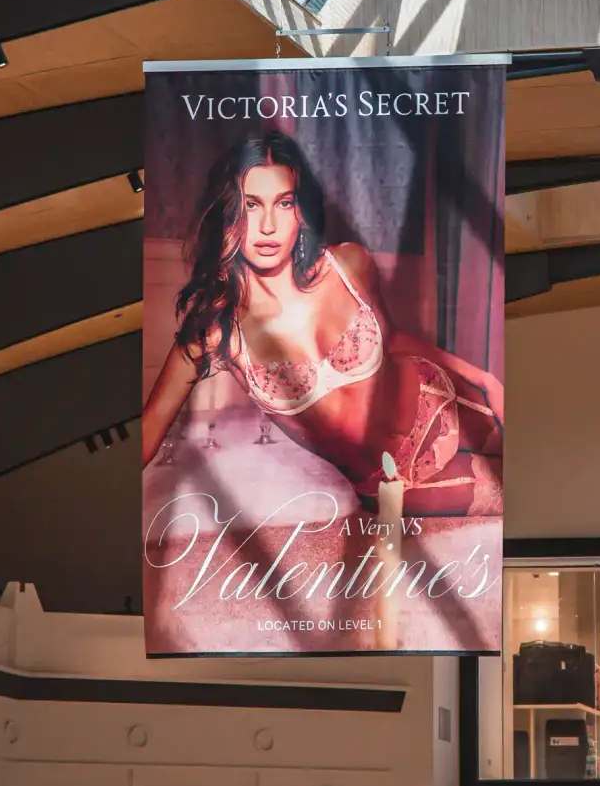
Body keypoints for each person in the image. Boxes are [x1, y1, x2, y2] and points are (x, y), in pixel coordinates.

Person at [141, 131, 503, 517]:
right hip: (391, 481)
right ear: (229, 212)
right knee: (508, 501)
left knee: (540, 455)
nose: (267, 225)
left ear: (301, 211)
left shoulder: (348, 265)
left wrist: (482, 378)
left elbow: (394, 340)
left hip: (446, 401)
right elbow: (148, 432)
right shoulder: (217, 331)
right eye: (251, 205)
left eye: (284, 203)